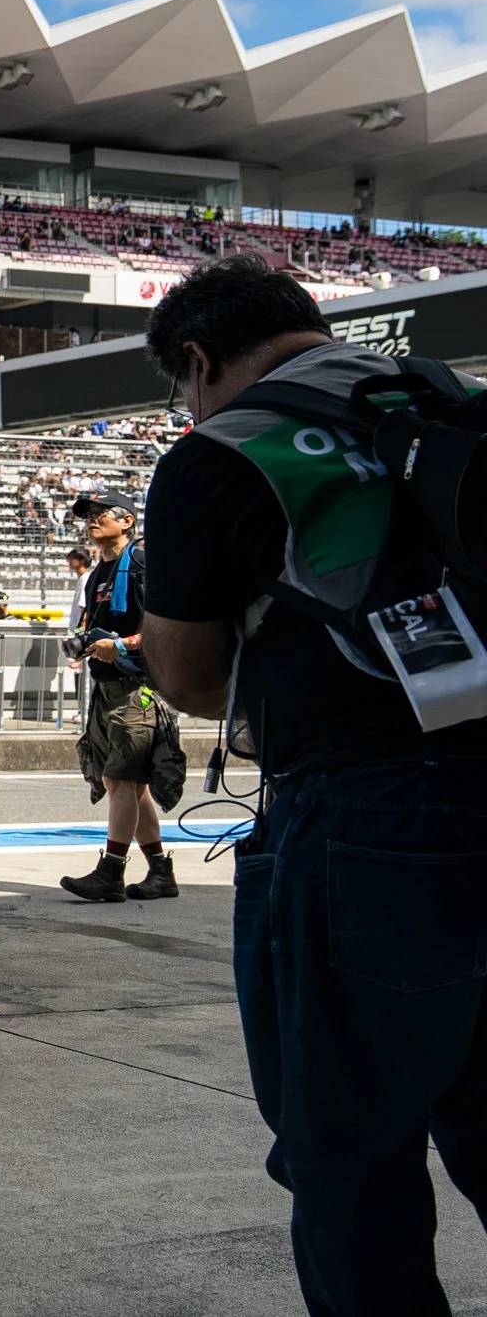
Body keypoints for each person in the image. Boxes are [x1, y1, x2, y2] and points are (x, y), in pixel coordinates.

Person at [138, 255, 487, 1313]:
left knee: (350, 1151)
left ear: (197, 361)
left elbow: (191, 677)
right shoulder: (450, 403)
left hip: (367, 817)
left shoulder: (220, 455)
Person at [59, 492, 171, 901]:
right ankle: (161, 870)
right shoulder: (99, 573)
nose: (90, 519)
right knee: (128, 784)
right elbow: (98, 624)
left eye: (99, 513)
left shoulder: (141, 564)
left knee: (121, 780)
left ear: (126, 521)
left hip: (136, 689)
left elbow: (165, 624)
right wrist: (83, 642)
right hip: (107, 687)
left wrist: (122, 647)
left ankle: (111, 873)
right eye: (87, 515)